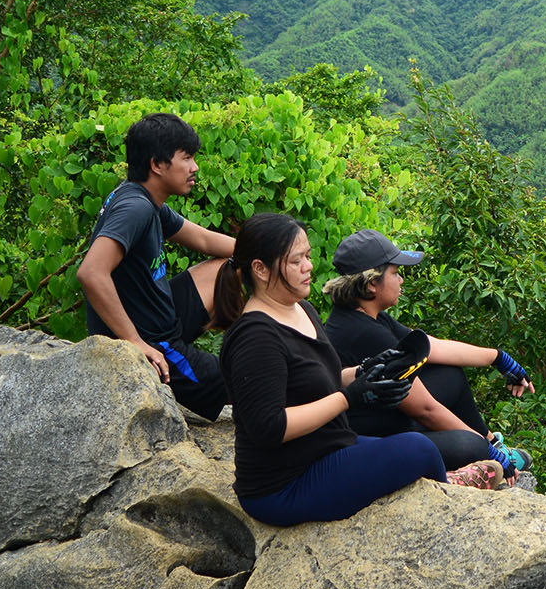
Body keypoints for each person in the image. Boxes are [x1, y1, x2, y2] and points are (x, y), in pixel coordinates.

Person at [215, 213, 504, 528]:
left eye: (308, 256)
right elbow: (270, 426)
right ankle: (451, 494)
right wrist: (348, 398)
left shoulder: (301, 309)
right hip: (284, 484)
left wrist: (363, 374)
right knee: (417, 448)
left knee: (418, 448)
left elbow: (315, 378)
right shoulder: (255, 337)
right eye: (296, 260)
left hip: (326, 448)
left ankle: (444, 484)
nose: (309, 266)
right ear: (260, 269)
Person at [321, 228, 535, 478]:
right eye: (395, 273)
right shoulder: (364, 333)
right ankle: (481, 454)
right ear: (371, 285)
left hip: (391, 418)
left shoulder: (368, 316)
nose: (401, 280)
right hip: (378, 438)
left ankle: (492, 441)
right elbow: (426, 410)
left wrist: (498, 358)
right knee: (472, 446)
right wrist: (488, 452)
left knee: (450, 375)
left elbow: (432, 347)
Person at [77, 112, 234, 419]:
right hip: (154, 341)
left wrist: (269, 250)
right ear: (158, 165)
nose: (195, 167)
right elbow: (91, 272)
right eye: (186, 158)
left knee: (232, 266)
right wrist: (134, 343)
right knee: (243, 378)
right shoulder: (135, 207)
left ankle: (257, 341)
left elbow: (202, 240)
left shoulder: (146, 199)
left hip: (163, 317)